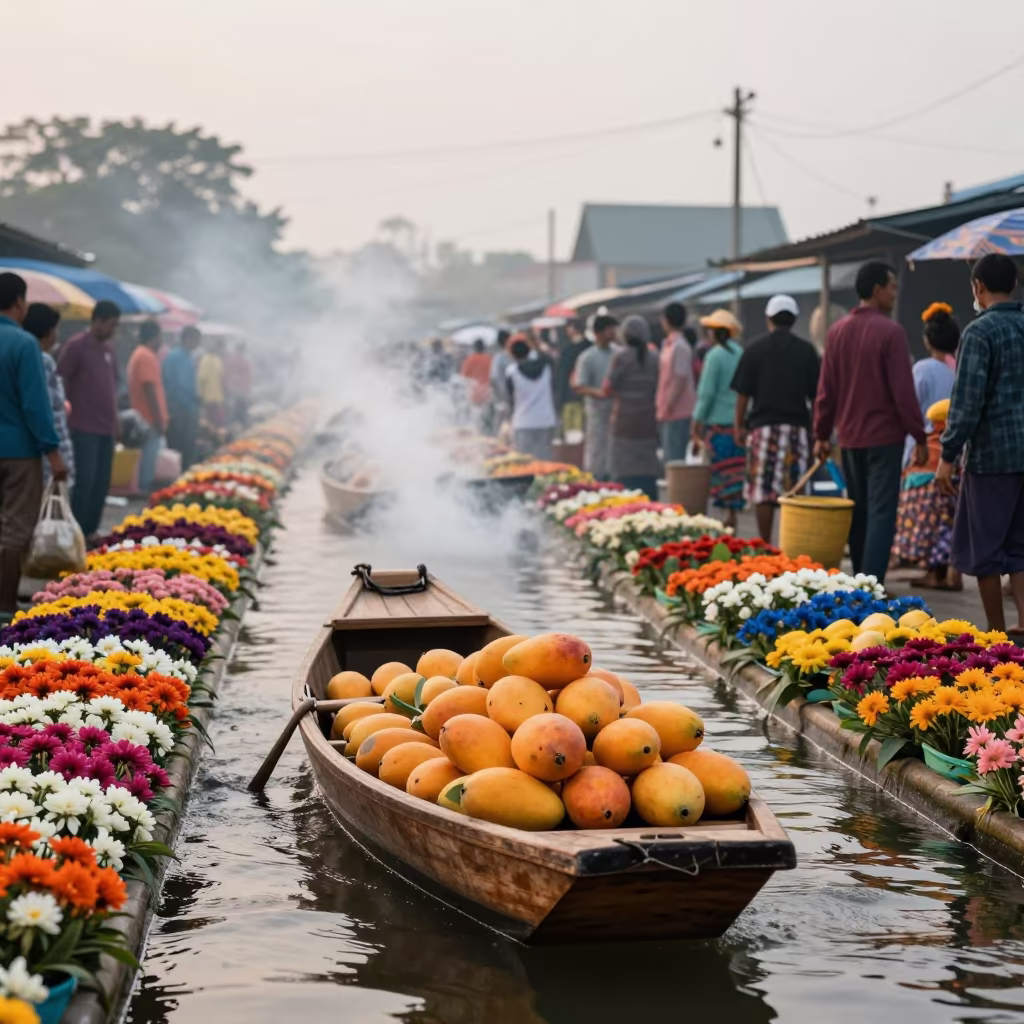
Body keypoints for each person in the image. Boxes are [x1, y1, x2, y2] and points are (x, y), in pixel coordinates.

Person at [814, 262, 927, 583]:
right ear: (877, 290)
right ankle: (871, 583)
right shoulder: (891, 332)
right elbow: (903, 393)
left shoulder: (836, 332)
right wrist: (919, 436)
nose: (894, 293)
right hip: (884, 437)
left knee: (859, 508)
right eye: (891, 287)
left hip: (849, 437)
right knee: (881, 511)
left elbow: (826, 390)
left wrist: (821, 433)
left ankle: (860, 581)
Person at [938, 254, 1024, 632]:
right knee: (1021, 548)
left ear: (979, 287)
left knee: (986, 551)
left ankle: (995, 634)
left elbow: (967, 402)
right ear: (1015, 285)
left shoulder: (978, 332)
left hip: (992, 458)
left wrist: (948, 454)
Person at [0, 275, 67, 618]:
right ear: (20, 303)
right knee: (14, 527)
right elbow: (35, 405)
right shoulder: (24, 343)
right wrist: (52, 451)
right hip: (18, 452)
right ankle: (5, 604)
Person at [731, 295, 820, 541]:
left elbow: (743, 394)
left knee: (764, 492)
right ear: (793, 320)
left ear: (768, 319)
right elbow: (816, 398)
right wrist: (817, 432)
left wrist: (738, 426)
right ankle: (792, 543)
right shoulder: (806, 351)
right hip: (797, 430)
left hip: (763, 429)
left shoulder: (754, 349)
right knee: (795, 490)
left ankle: (764, 543)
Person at [58, 299, 121, 540]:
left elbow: (112, 386)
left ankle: (91, 530)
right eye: (112, 325)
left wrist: (116, 421)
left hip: (105, 427)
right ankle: (76, 534)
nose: (113, 331)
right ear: (98, 321)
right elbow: (61, 381)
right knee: (85, 482)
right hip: (83, 426)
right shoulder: (76, 347)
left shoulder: (108, 349)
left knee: (101, 483)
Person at [894, 399, 962, 591]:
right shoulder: (953, 440)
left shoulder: (933, 440)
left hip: (929, 496)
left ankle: (939, 575)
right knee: (947, 531)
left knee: (935, 533)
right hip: (949, 494)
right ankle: (946, 574)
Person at [693, 310, 745, 528]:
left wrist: (696, 423)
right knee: (735, 472)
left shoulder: (714, 356)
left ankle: (724, 519)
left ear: (715, 333)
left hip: (717, 424)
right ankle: (732, 515)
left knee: (720, 474)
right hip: (738, 424)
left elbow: (706, 394)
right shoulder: (740, 352)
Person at [605, 315, 660, 499]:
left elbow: (608, 388)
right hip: (648, 421)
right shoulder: (654, 358)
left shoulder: (620, 357)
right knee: (647, 469)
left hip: (624, 423)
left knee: (624, 472)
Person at [22, 303, 74, 490]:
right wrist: (55, 456)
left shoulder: (19, 354)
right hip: (46, 456)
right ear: (50, 331)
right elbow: (45, 411)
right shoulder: (43, 361)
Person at [903, 302, 958, 467]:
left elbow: (909, 411)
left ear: (927, 341)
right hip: (954, 456)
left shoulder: (921, 370)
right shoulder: (960, 371)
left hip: (922, 455)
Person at [572, 314, 620, 481]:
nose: (614, 334)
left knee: (615, 448)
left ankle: (615, 481)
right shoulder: (587, 357)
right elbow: (579, 385)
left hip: (617, 410)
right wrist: (599, 393)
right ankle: (595, 482)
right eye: (610, 330)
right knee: (596, 449)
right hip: (597, 412)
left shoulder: (619, 353)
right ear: (598, 333)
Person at [126, 319, 168, 494]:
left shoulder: (139, 354)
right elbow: (149, 388)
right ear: (156, 337)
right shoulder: (145, 356)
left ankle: (143, 488)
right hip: (148, 417)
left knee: (147, 458)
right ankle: (144, 491)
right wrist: (158, 419)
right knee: (148, 460)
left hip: (144, 416)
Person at [657, 302, 697, 464]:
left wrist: (668, 405)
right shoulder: (669, 344)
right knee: (670, 455)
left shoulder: (680, 346)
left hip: (677, 410)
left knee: (675, 458)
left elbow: (679, 379)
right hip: (668, 410)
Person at [506, 337, 557, 459]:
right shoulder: (546, 367)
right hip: (545, 420)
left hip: (523, 422)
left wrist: (508, 420)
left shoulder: (511, 372)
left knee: (525, 462)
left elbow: (510, 399)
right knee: (545, 462)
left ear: (512, 354)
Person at [163, 326, 201, 470]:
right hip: (180, 408)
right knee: (182, 446)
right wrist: (195, 399)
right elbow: (182, 385)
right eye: (196, 340)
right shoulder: (179, 357)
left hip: (181, 407)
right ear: (188, 339)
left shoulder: (183, 356)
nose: (198, 345)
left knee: (181, 446)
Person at [553, 319, 590, 440]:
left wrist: (559, 399)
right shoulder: (590, 347)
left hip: (570, 397)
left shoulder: (567, 350)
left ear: (573, 329)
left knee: (573, 436)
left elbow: (562, 376)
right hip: (590, 396)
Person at [197, 337, 227, 426]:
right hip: (212, 397)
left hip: (211, 397)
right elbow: (201, 379)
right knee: (213, 421)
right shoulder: (212, 360)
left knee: (212, 421)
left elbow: (201, 379)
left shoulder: (207, 360)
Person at [459, 338, 492, 415]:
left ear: (474, 348)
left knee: (475, 417)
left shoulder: (469, 360)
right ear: (483, 348)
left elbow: (463, 377)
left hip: (473, 393)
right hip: (487, 393)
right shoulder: (489, 359)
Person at [223, 340, 253, 426]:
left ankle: (230, 430)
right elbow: (247, 378)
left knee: (231, 413)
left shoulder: (229, 360)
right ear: (243, 350)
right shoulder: (245, 362)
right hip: (241, 391)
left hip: (230, 390)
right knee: (241, 413)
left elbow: (225, 374)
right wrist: (247, 391)